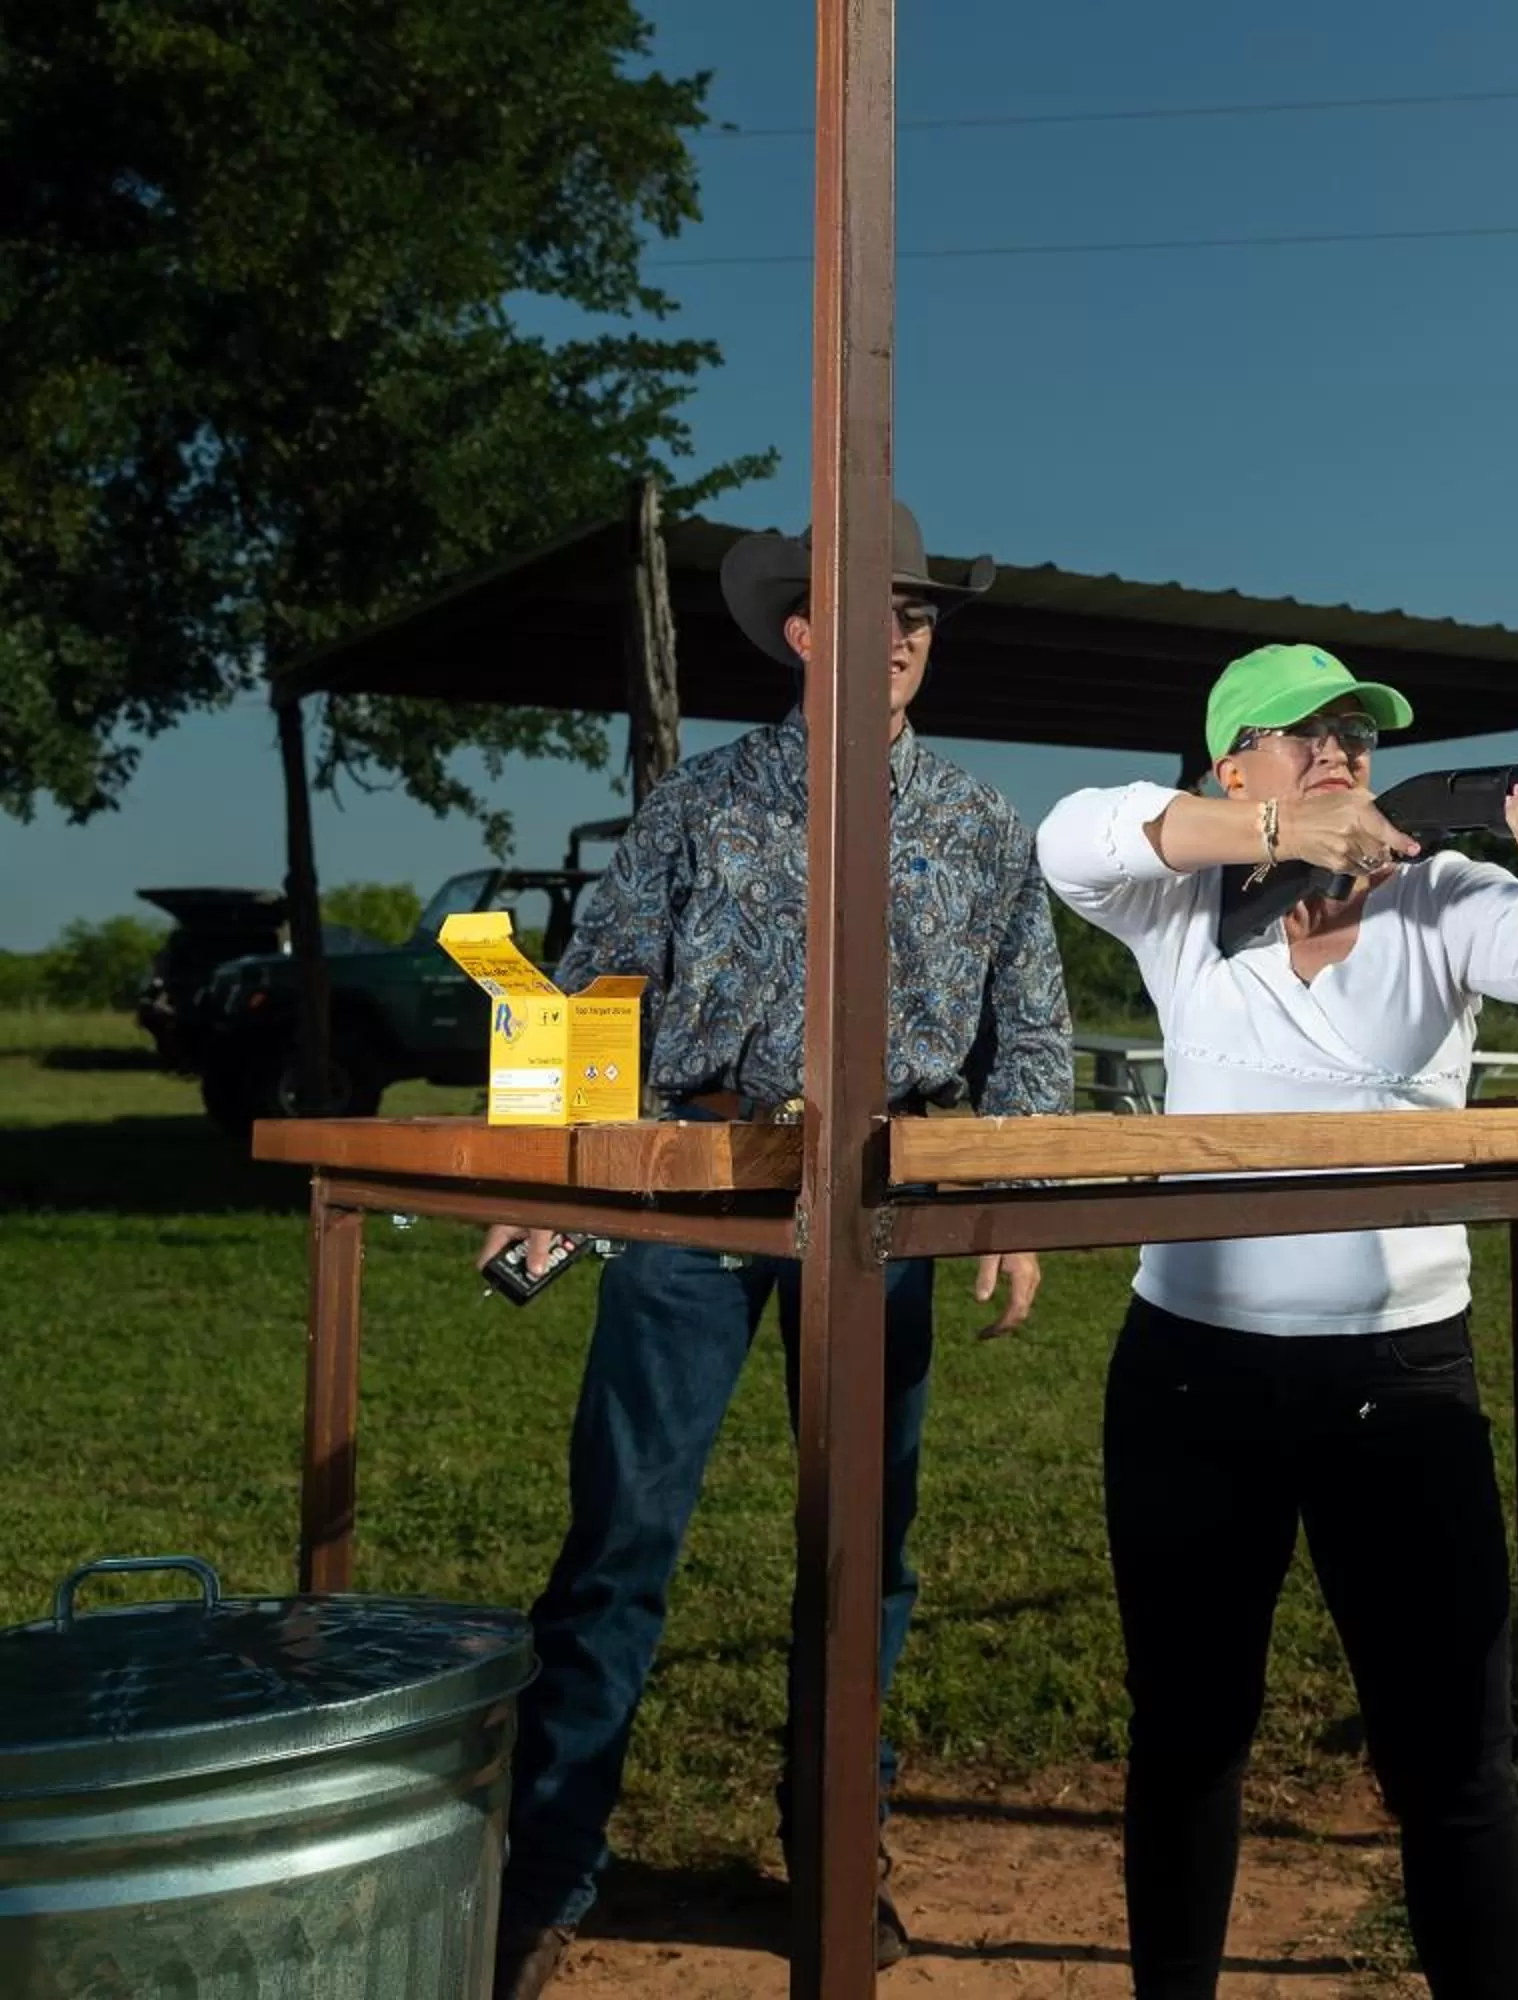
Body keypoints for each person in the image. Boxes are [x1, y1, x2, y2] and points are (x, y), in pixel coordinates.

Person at [485, 501, 1075, 1998]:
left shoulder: (983, 827)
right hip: (700, 1188)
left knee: (863, 1552)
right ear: (802, 633)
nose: (897, 638)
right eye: (867, 612)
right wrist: (546, 1169)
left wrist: (1007, 1199)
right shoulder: (698, 804)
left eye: (919, 618)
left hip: (883, 1204)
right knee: (621, 1540)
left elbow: (1032, 1034)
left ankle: (836, 1857)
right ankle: (547, 1878)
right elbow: (591, 990)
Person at [1034, 642, 1518, 1998]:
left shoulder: (1442, 894)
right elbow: (1069, 839)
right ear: (1235, 766)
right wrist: (1274, 833)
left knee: (1453, 1765)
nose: (1344, 751)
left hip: (1401, 1383)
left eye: (1357, 732)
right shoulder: (1187, 907)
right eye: (1305, 735)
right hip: (1193, 1378)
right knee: (1186, 1735)